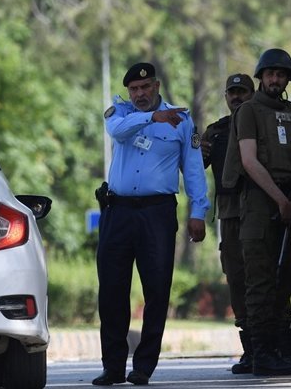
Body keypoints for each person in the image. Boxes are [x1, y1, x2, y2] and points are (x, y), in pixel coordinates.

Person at [93, 62, 209, 386]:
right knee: (112, 291)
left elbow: (194, 169)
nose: (140, 94)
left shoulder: (181, 121)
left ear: (157, 86)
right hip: (117, 212)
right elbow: (116, 131)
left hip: (157, 214)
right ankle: (112, 366)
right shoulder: (120, 113)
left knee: (157, 290)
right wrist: (150, 118)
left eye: (145, 88)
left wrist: (198, 211)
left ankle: (143, 365)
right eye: (134, 89)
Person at [222, 48, 291, 376]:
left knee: (284, 278)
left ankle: (281, 350)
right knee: (259, 281)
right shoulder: (249, 111)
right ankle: (261, 354)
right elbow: (248, 160)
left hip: (289, 202)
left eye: (281, 74)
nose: (276, 79)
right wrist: (280, 200)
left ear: (288, 78)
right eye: (270, 74)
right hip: (259, 202)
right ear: (261, 77)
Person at [200, 73, 255, 374]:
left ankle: (270, 346)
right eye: (231, 92)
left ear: (252, 93)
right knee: (237, 278)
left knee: (264, 276)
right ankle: (249, 349)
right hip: (230, 213)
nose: (236, 97)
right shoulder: (217, 130)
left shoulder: (264, 123)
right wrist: (199, 153)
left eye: (241, 92)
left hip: (260, 211)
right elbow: (196, 169)